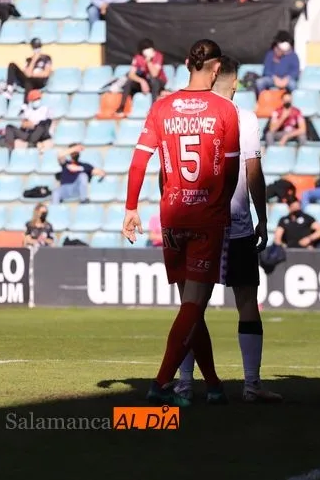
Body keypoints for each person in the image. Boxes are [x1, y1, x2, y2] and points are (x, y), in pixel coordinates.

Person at [122, 39, 240, 406]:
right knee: (194, 306)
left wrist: (130, 209)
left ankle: (214, 385)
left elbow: (139, 162)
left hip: (171, 215)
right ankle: (160, 383)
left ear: (188, 62)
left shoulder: (162, 107)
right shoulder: (224, 109)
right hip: (206, 216)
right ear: (217, 68)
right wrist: (219, 204)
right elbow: (232, 167)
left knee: (191, 307)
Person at [175, 56, 282, 403]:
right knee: (247, 301)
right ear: (235, 83)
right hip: (236, 223)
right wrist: (262, 217)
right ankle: (251, 385)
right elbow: (253, 171)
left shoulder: (189, 116)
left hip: (197, 223)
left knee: (191, 306)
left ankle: (186, 385)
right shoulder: (243, 117)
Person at [115, 39, 166, 115]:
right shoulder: (138, 57)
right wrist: (142, 81)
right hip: (146, 80)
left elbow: (154, 74)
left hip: (159, 82)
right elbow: (131, 74)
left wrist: (148, 61)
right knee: (129, 82)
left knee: (153, 80)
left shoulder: (158, 56)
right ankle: (121, 108)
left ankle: (153, 110)